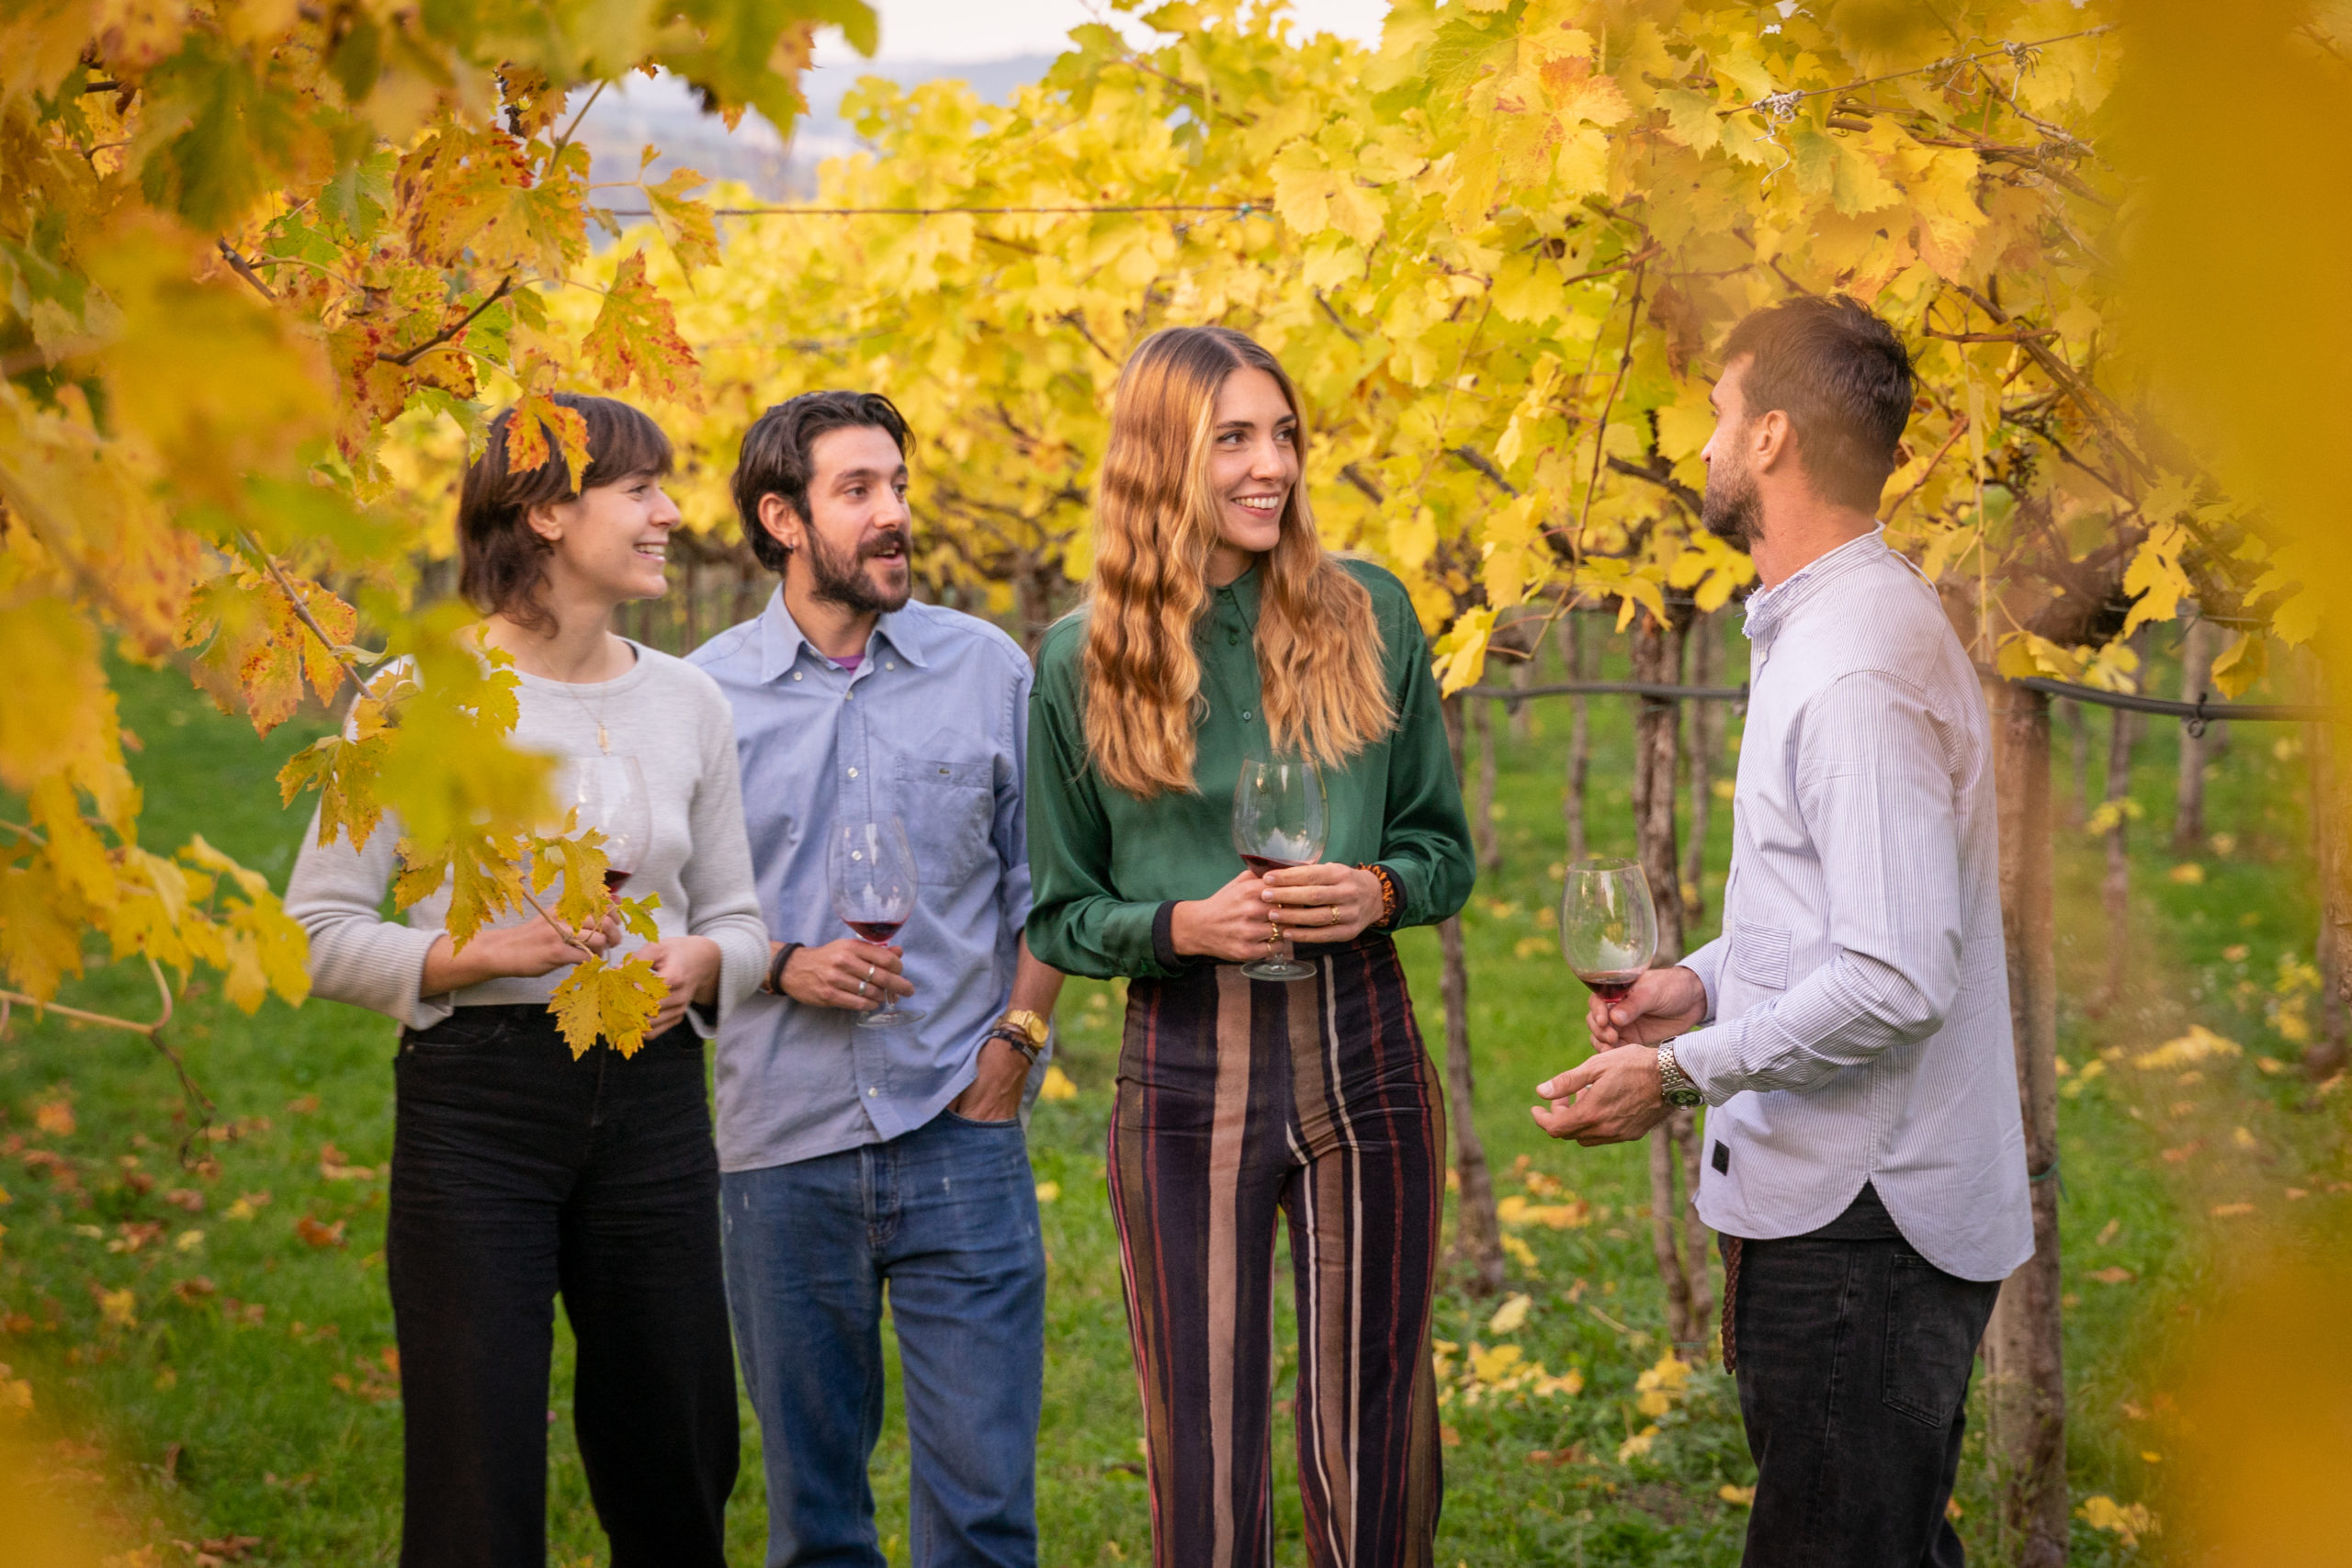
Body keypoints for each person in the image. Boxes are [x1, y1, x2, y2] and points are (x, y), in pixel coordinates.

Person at [1530, 296, 2034, 1567]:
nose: (1697, 442)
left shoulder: (1854, 665)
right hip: (1844, 1207)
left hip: (1864, 1221)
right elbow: (1831, 913)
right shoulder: (1828, 628)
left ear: (1768, 439)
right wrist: (1693, 988)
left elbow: (1894, 972)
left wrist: (1676, 1072)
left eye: (1713, 414)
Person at [285, 393, 771, 1568]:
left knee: (679, 1456)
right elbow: (312, 928)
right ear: (549, 511)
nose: (669, 515)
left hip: (652, 1101)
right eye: (641, 489)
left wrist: (706, 967)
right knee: (474, 1474)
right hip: (478, 1106)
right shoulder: (414, 698)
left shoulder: (685, 700)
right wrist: (464, 956)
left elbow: (740, 920)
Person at [1025, 325, 1476, 1568]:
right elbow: (1061, 912)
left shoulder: (1372, 610)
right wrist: (1181, 924)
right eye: (1233, 437)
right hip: (1182, 1069)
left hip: (1364, 1048)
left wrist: (1377, 889)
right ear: (1162, 461)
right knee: (1204, 1441)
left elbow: (1445, 850)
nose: (1270, 463)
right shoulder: (1080, 661)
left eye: (1283, 434)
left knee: (1376, 1433)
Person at [688, 389, 1065, 1568]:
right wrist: (786, 964)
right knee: (817, 1528)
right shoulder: (701, 697)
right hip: (781, 1149)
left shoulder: (988, 669)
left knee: (987, 1519)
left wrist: (1013, 1048)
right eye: (858, 490)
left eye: (897, 485)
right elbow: (664, 917)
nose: (894, 513)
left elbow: (1046, 886)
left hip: (962, 1131)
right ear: (782, 518)